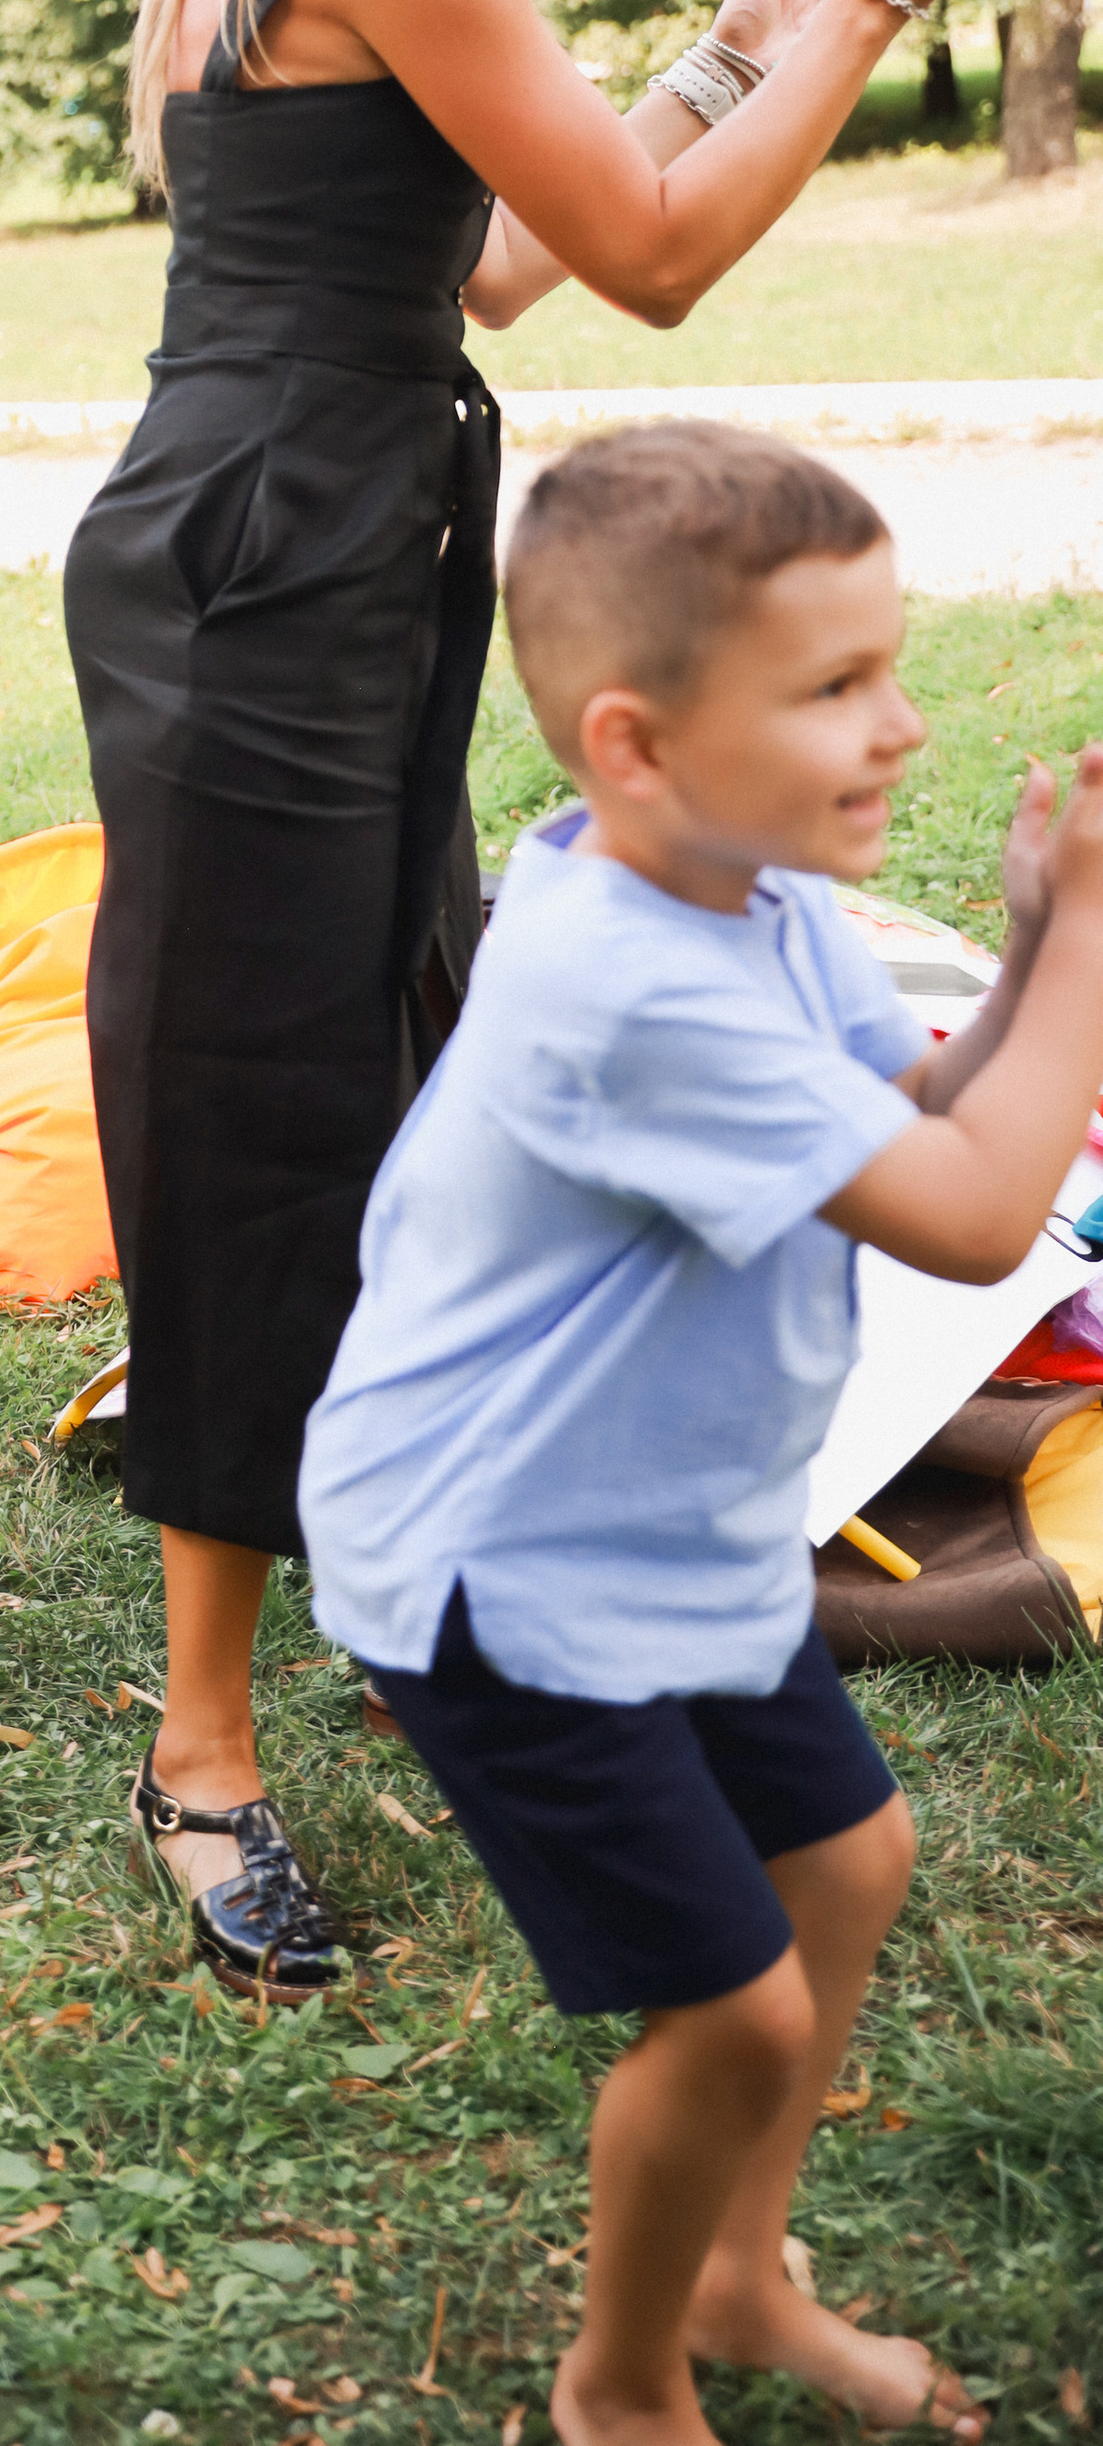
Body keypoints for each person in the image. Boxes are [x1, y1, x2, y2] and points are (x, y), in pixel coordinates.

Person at [62, 0, 1028, 1997]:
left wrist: (727, 23)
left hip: (317, 532)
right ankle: (197, 1751)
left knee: (385, 1063)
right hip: (275, 561)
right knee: (255, 1112)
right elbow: (656, 257)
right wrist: (864, 4)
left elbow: (480, 256)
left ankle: (414, 1589)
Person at [302, 421, 1102, 2446]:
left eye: (888, 669)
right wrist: (1092, 945)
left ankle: (740, 2281)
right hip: (499, 1568)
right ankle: (620, 2383)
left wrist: (1021, 946)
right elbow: (974, 1211)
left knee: (843, 1863)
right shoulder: (617, 981)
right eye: (832, 688)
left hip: (670, 1528)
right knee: (731, 2003)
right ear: (631, 744)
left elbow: (926, 1107)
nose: (899, 728)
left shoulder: (739, 897)